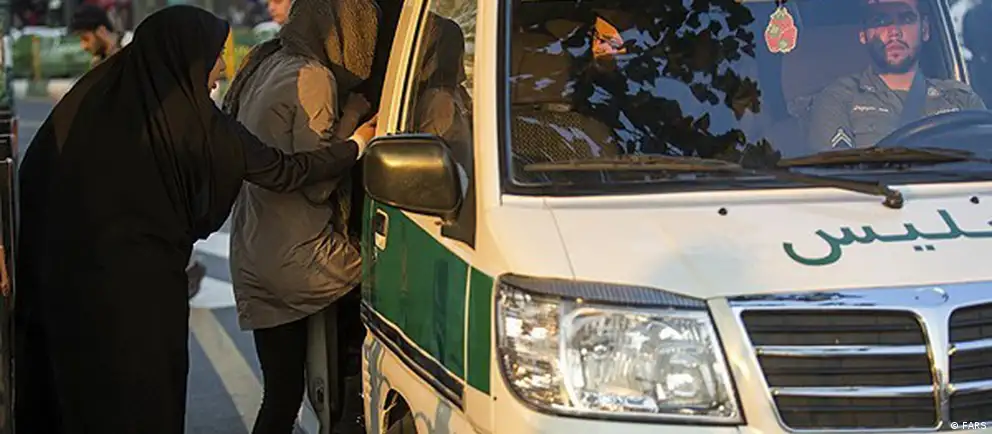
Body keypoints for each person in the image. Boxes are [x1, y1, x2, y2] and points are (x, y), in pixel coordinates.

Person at [12, 5, 376, 434]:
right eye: (214, 56)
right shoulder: (200, 124)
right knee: (143, 398)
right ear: (184, 57)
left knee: (80, 398)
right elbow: (285, 171)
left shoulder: (91, 104)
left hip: (69, 291)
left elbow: (35, 179)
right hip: (143, 297)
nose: (221, 68)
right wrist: (357, 142)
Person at [220, 0, 378, 432]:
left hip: (255, 250)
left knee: (282, 393)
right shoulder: (314, 77)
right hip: (301, 257)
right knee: (395, 274)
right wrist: (356, 124)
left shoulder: (266, 64)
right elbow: (316, 182)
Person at [807, 0, 986, 150]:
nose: (894, 31)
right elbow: (837, 176)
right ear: (863, 35)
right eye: (880, 20)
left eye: (906, 19)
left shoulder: (961, 99)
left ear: (924, 30)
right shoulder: (839, 100)